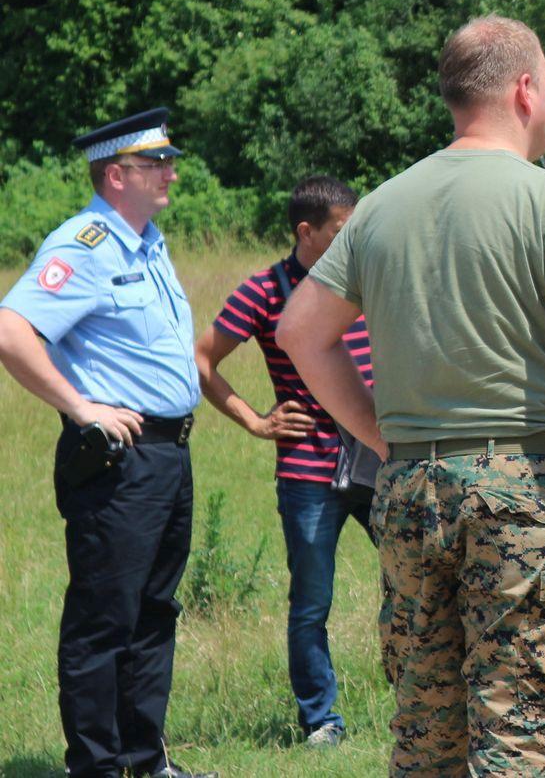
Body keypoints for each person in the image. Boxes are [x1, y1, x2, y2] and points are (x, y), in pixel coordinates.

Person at [278, 15, 545, 774]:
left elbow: (302, 331)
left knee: (427, 731)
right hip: (520, 493)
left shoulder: (382, 207)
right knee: (522, 729)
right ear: (525, 89)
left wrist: (376, 430)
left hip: (406, 491)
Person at [0, 108, 211, 778]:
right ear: (116, 175)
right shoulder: (84, 244)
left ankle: (145, 762)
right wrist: (81, 405)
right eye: (158, 164)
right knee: (104, 619)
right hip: (122, 461)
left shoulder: (148, 242)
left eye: (170, 161)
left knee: (154, 614)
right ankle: (93, 766)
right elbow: (11, 331)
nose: (172, 172)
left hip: (169, 456)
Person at [194, 174, 375, 748]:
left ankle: (420, 697)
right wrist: (254, 420)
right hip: (308, 471)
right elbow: (202, 359)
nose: (354, 241)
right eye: (342, 231)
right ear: (306, 231)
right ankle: (322, 721)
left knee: (416, 578)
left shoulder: (367, 278)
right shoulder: (265, 291)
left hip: (379, 459)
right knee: (311, 603)